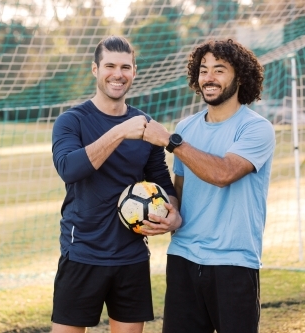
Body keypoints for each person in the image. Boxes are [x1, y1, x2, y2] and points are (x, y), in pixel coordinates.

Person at [141, 39, 276, 333]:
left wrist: (171, 141)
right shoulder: (187, 128)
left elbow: (223, 173)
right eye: (203, 70)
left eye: (219, 70)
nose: (209, 78)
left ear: (239, 77)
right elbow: (180, 191)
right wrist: (171, 214)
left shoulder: (255, 128)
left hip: (234, 262)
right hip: (183, 257)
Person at [51, 35, 182, 333]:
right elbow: (69, 169)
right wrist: (120, 131)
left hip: (131, 256)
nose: (118, 74)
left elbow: (161, 181)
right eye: (110, 65)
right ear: (95, 69)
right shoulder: (72, 121)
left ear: (134, 71)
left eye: (125, 67)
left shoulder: (145, 124)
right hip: (82, 252)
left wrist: (173, 213)